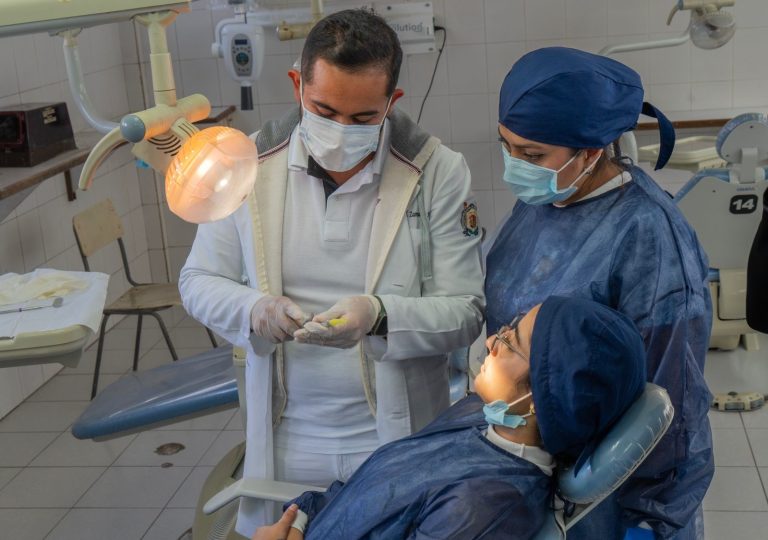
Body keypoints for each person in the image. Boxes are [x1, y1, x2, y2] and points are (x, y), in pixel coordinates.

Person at [178, 8, 484, 536]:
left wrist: (380, 316)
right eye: (324, 110)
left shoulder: (436, 172)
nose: (342, 131)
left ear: (393, 103)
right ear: (298, 85)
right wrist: (256, 309)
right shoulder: (247, 165)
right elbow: (198, 281)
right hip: (289, 437)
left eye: (363, 118)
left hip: (393, 435)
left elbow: (465, 311)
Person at [485, 47, 713, 539]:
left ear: (590, 152)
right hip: (537, 469)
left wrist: (650, 521)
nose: (514, 166)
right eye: (506, 145)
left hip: (613, 497)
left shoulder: (649, 238)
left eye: (531, 155)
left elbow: (674, 401)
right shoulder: (544, 200)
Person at [251, 295, 648, 540]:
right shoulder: (480, 415)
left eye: (510, 344)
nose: (492, 341)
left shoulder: (486, 507)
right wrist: (299, 519)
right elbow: (366, 491)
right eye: (508, 328)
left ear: (540, 398)